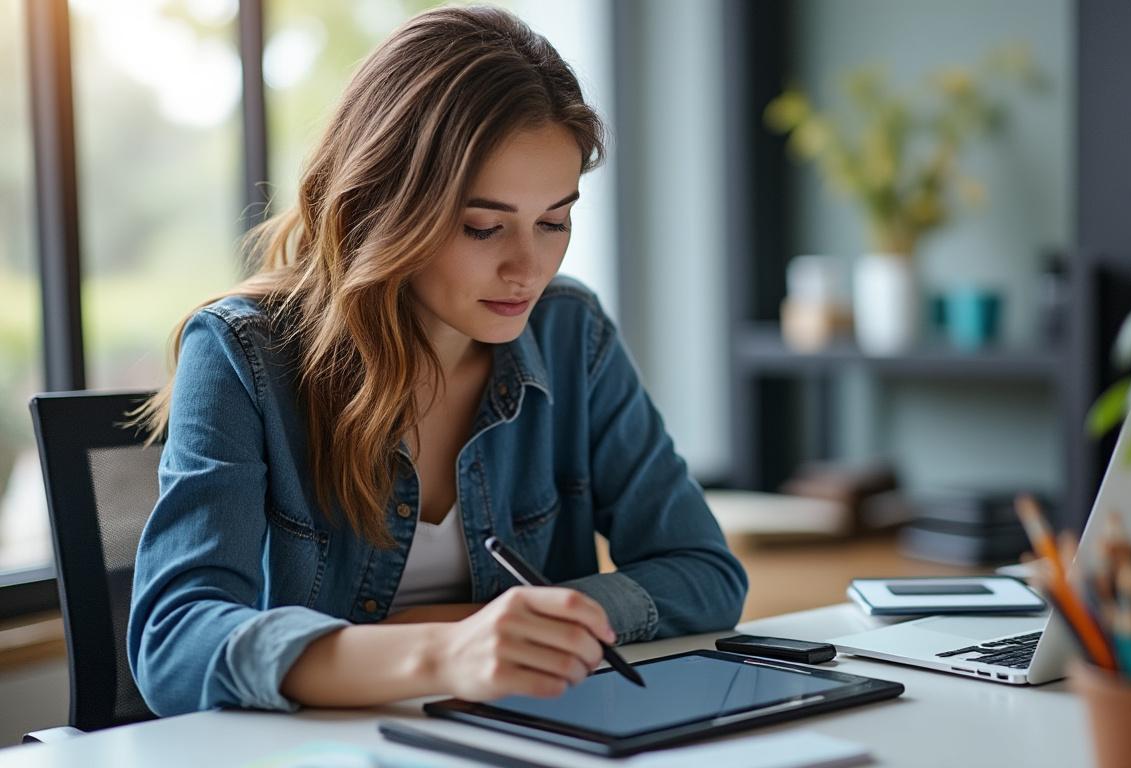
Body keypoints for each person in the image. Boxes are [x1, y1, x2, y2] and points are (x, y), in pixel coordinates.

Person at [127, 5, 747, 716]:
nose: (528, 268)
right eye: (483, 226)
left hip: (526, 737)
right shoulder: (242, 355)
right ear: (384, 206)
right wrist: (448, 650)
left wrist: (512, 635)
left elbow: (704, 575)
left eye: (554, 222)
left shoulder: (571, 333)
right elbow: (174, 643)